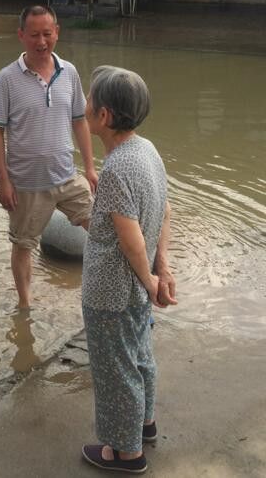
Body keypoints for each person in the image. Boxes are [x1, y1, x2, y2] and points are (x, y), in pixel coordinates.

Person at [80, 65, 177, 474]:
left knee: (115, 371)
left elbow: (129, 236)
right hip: (135, 291)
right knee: (139, 356)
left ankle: (124, 452)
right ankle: (144, 424)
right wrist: (162, 270)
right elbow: (166, 210)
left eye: (88, 98)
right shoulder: (147, 150)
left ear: (103, 116)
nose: (83, 104)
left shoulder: (118, 167)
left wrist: (149, 277)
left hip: (112, 291)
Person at [0, 5, 98, 309]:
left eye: (47, 34)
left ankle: (110, 289)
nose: (41, 41)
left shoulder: (69, 72)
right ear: (21, 35)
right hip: (26, 184)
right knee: (23, 246)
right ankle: (25, 305)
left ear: (57, 32)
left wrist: (89, 168)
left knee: (103, 229)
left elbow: (79, 121)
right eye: (34, 35)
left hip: (67, 176)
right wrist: (3, 181)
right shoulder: (7, 78)